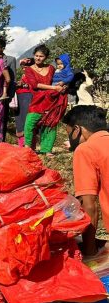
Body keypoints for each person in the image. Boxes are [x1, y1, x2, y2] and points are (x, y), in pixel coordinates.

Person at [62, 105, 109, 256]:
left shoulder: (86, 149)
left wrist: (89, 252)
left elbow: (89, 205)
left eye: (69, 134)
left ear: (77, 130)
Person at [23, 47, 71, 155]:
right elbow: (35, 85)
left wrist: (63, 85)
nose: (38, 58)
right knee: (30, 123)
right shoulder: (29, 69)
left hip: (52, 100)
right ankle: (27, 148)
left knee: (50, 124)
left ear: (46, 58)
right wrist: (54, 88)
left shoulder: (51, 68)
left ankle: (47, 150)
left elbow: (58, 80)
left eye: (41, 56)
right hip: (37, 100)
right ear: (34, 55)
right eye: (36, 56)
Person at [0, 38, 17, 142]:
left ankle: (1, 142)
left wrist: (9, 97)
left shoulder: (10, 60)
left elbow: (13, 80)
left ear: (3, 47)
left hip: (3, 95)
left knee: (2, 119)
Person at [15, 57, 35, 147]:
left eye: (26, 67)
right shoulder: (24, 76)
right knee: (20, 120)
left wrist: (23, 84)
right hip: (20, 97)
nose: (24, 69)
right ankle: (21, 145)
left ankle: (29, 144)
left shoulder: (33, 75)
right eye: (22, 67)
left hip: (28, 97)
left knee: (27, 120)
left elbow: (34, 85)